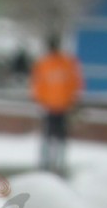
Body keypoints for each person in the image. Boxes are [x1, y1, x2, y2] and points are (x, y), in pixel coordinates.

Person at [29, 33, 84, 173]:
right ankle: (48, 163)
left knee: (56, 137)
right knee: (53, 137)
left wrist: (71, 100)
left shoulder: (59, 63)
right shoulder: (49, 64)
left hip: (58, 107)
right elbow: (38, 84)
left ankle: (55, 163)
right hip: (53, 106)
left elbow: (74, 83)